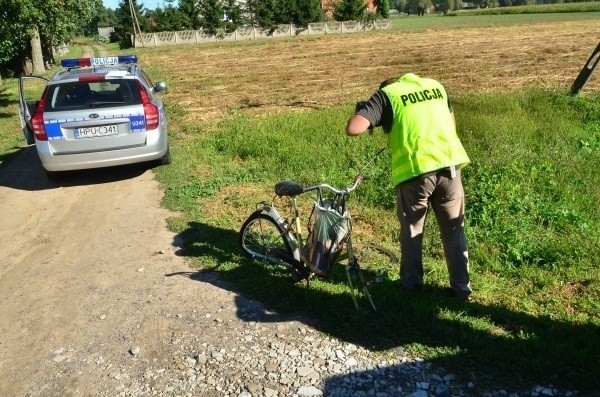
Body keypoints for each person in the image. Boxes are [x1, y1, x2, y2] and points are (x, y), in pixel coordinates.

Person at [345, 73, 472, 300]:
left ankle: (411, 286)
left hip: (416, 172)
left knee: (413, 231)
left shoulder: (388, 95)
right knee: (454, 231)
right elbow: (451, 123)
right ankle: (461, 290)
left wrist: (365, 111)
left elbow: (354, 128)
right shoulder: (435, 86)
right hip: (450, 167)